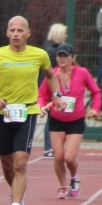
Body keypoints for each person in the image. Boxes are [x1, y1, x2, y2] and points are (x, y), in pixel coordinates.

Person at [0, 16, 61, 205]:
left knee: (20, 163)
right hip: (4, 112)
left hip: (27, 111)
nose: (16, 34)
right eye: (12, 30)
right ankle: (16, 194)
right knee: (7, 164)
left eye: (20, 30)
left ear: (28, 33)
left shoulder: (39, 55)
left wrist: (56, 95)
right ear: (7, 33)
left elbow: (51, 75)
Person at [39, 43, 100, 199]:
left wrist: (95, 109)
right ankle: (63, 186)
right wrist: (42, 107)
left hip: (76, 120)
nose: (62, 59)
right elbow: (42, 95)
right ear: (56, 58)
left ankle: (74, 177)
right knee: (58, 156)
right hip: (56, 120)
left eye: (66, 56)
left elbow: (96, 92)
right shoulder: (52, 74)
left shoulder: (82, 73)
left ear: (72, 58)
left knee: (69, 157)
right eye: (60, 55)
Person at [42, 23, 68, 157]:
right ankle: (49, 147)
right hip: (50, 87)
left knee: (55, 116)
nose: (66, 36)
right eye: (64, 33)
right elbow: (49, 72)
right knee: (51, 117)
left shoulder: (54, 49)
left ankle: (53, 146)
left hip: (54, 86)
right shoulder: (51, 51)